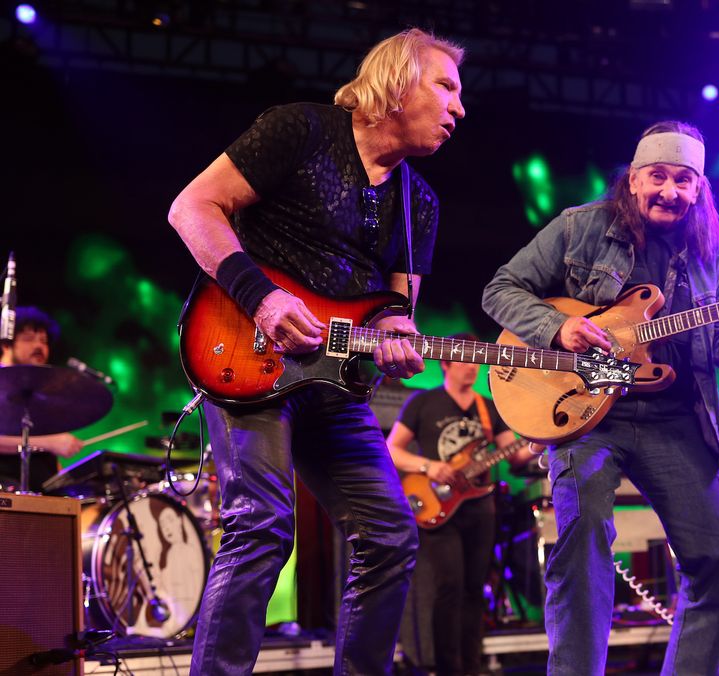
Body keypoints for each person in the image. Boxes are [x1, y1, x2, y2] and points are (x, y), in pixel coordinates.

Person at [167, 27, 466, 674]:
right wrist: (265, 300)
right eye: (446, 86)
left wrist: (398, 335)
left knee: (389, 535)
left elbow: (395, 308)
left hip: (335, 385)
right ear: (397, 80)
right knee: (262, 525)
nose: (459, 108)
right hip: (246, 350)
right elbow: (192, 209)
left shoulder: (421, 204)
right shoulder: (300, 131)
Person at [481, 120, 719, 675]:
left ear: (699, 189)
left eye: (684, 181)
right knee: (583, 532)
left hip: (676, 421)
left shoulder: (715, 257)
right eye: (658, 176)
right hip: (587, 414)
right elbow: (500, 290)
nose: (670, 191)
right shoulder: (579, 228)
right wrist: (557, 329)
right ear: (634, 180)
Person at [386, 338, 536, 676]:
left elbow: (515, 455)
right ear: (446, 364)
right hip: (437, 503)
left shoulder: (488, 408)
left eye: (476, 361)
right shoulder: (423, 402)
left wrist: (543, 441)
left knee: (474, 588)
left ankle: (471, 667)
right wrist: (429, 467)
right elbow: (391, 449)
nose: (472, 365)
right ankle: (447, 669)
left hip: (480, 506)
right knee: (449, 586)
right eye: (465, 360)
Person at [0, 306, 84, 491]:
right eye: (29, 339)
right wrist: (50, 442)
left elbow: (45, 462)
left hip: (41, 496)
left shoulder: (40, 394)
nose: (39, 346)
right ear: (6, 344)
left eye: (44, 341)